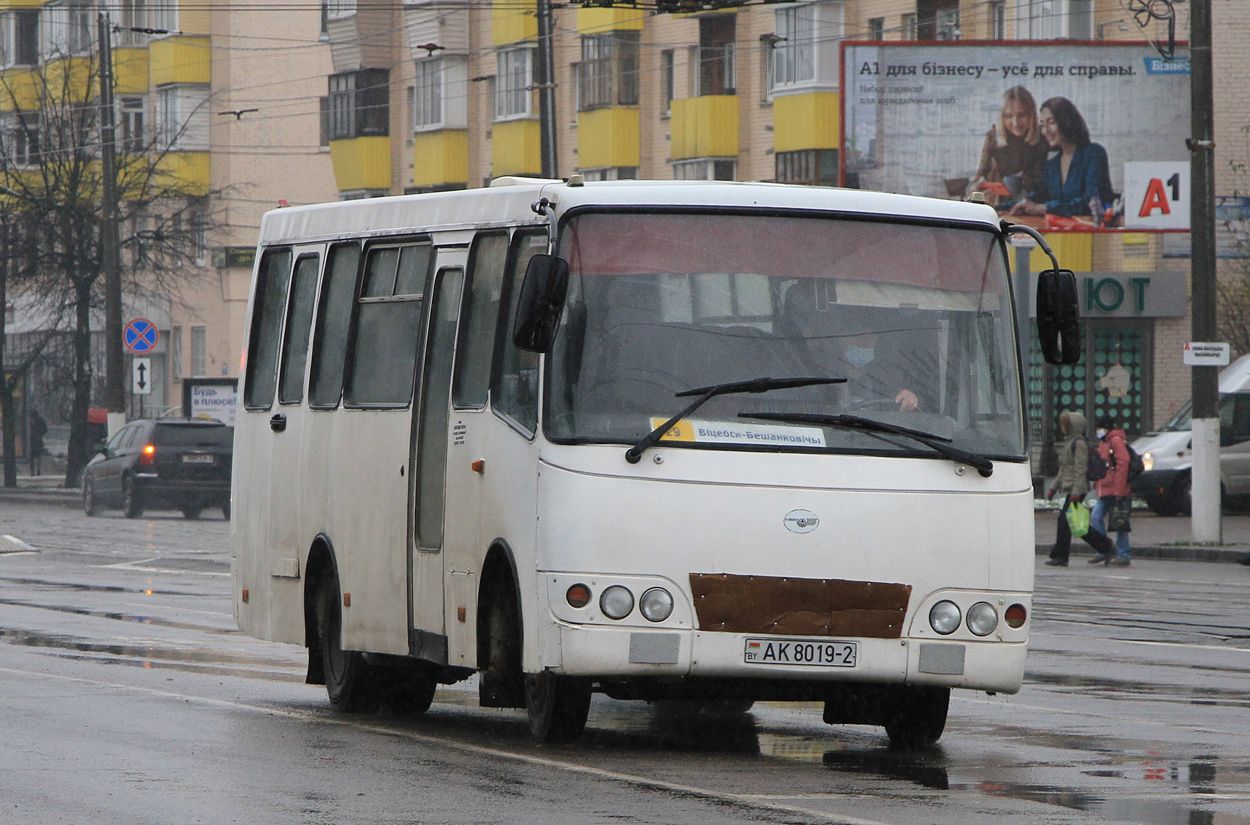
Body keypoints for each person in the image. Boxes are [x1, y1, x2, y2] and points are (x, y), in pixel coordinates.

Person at [1009, 96, 1115, 221]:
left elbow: (1092, 202)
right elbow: (1037, 197)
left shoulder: (1094, 153)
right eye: (1043, 124)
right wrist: (995, 206)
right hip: (1060, 233)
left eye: (1052, 122)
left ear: (1067, 122)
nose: (1045, 130)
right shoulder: (1052, 164)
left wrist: (1043, 208)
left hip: (1091, 233)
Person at [968, 86, 1048, 209]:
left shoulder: (1043, 136)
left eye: (1021, 115)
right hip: (997, 202)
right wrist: (975, 190)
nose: (1015, 123)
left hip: (1029, 203)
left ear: (1031, 114)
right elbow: (981, 174)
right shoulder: (993, 136)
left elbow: (1046, 181)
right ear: (1002, 117)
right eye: (1008, 116)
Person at [1085, 414, 1132, 566]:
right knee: (1096, 516)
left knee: (1120, 521)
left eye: (1100, 428)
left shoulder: (1116, 440)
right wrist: (1097, 482)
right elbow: (1101, 464)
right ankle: (1103, 549)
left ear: (1107, 428)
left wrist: (1119, 489)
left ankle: (1123, 555)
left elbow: (1123, 464)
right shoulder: (1103, 442)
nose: (1098, 431)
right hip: (1105, 488)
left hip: (1116, 489)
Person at [1046, 410, 1089, 566]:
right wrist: (1053, 487)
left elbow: (1080, 470)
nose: (1062, 428)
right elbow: (1064, 469)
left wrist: (1076, 492)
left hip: (1076, 490)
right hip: (1071, 489)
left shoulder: (1079, 444)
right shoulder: (1070, 443)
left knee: (1065, 521)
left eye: (1065, 425)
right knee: (1073, 522)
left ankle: (1061, 556)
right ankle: (1104, 545)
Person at [28, 409, 47, 476]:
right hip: (37, 441)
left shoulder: (29, 422)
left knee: (32, 457)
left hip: (32, 441)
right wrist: (40, 433)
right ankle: (37, 471)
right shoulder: (40, 421)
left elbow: (44, 430)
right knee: (37, 456)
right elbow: (45, 430)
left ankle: (33, 472)